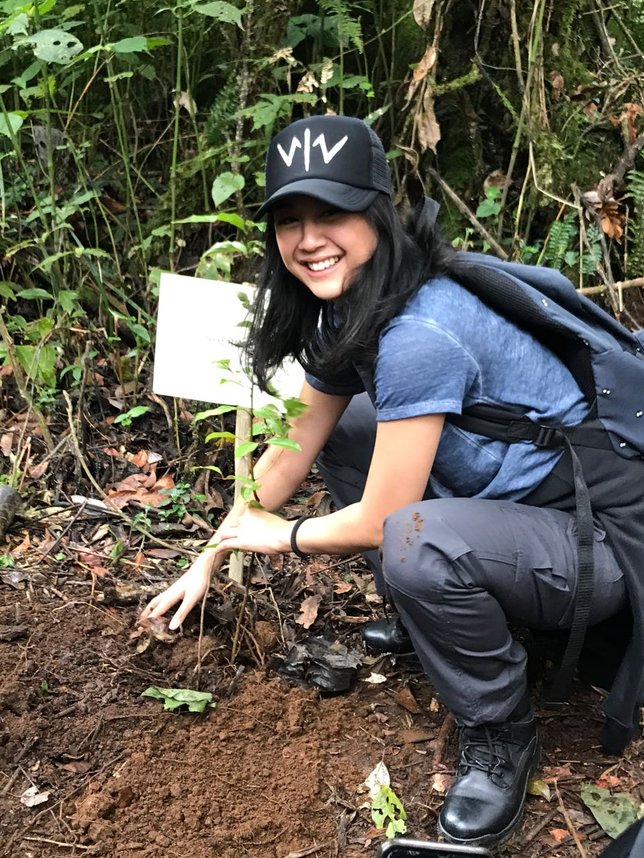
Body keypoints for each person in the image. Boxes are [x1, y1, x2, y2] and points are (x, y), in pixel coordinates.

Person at [140, 115, 642, 849]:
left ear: (377, 211)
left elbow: (381, 520)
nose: (308, 238)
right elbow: (293, 448)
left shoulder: (419, 331)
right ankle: (440, 624)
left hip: (594, 541)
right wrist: (209, 555)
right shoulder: (357, 306)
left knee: (413, 539)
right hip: (512, 517)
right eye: (289, 219)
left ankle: (501, 731)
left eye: (331, 213)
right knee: (351, 429)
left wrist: (283, 536)